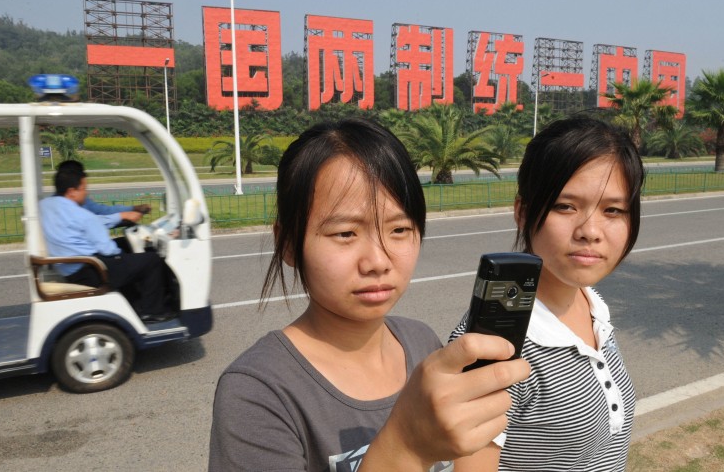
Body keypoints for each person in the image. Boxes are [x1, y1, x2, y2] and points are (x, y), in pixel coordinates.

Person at [209, 118, 530, 471]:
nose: (378, 261)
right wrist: (406, 445)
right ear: (287, 243)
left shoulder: (422, 342)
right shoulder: (258, 392)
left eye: (399, 229)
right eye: (345, 233)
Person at [452, 117, 645, 472]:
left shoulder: (591, 302)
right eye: (565, 206)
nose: (590, 231)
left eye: (613, 210)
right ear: (523, 212)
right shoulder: (495, 345)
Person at [39, 168, 177, 324]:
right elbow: (109, 250)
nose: (86, 193)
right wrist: (127, 256)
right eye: (84, 189)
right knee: (151, 260)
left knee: (129, 255)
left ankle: (136, 303)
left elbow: (98, 217)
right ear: (72, 191)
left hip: (70, 267)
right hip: (90, 270)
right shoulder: (82, 215)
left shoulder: (45, 205)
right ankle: (152, 311)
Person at [55, 160, 150, 228]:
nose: (86, 192)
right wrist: (121, 216)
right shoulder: (63, 210)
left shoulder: (81, 201)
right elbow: (91, 222)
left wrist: (132, 209)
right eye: (83, 188)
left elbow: (103, 210)